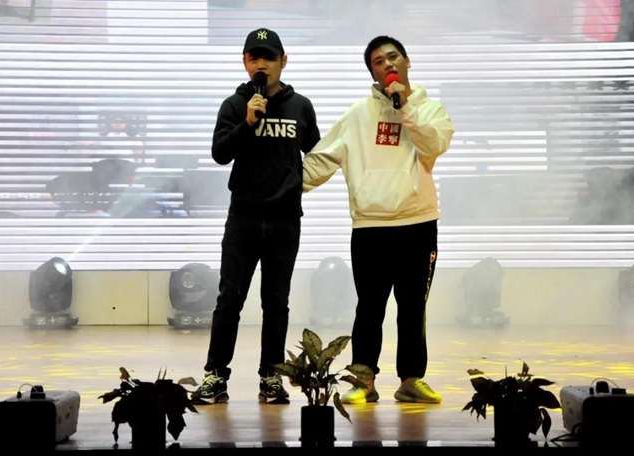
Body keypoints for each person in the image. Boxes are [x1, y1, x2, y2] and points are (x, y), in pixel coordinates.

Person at [302, 35, 455, 404]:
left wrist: (407, 108)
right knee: (369, 308)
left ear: (407, 61)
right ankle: (363, 381)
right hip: (370, 227)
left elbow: (433, 145)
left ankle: (411, 380)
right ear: (373, 73)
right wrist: (277, 187)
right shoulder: (358, 115)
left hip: (418, 224)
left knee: (412, 308)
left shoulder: (430, 110)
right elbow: (321, 160)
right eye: (378, 62)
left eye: (392, 57)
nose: (387, 65)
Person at [191, 28, 321, 405]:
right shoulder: (235, 105)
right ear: (245, 63)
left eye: (269, 57)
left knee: (276, 303)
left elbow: (318, 154)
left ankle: (271, 377)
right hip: (243, 219)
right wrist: (248, 122)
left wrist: (297, 184)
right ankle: (216, 375)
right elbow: (220, 154)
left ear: (283, 61)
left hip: (284, 221)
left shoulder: (301, 107)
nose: (261, 64)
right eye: (254, 57)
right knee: (229, 300)